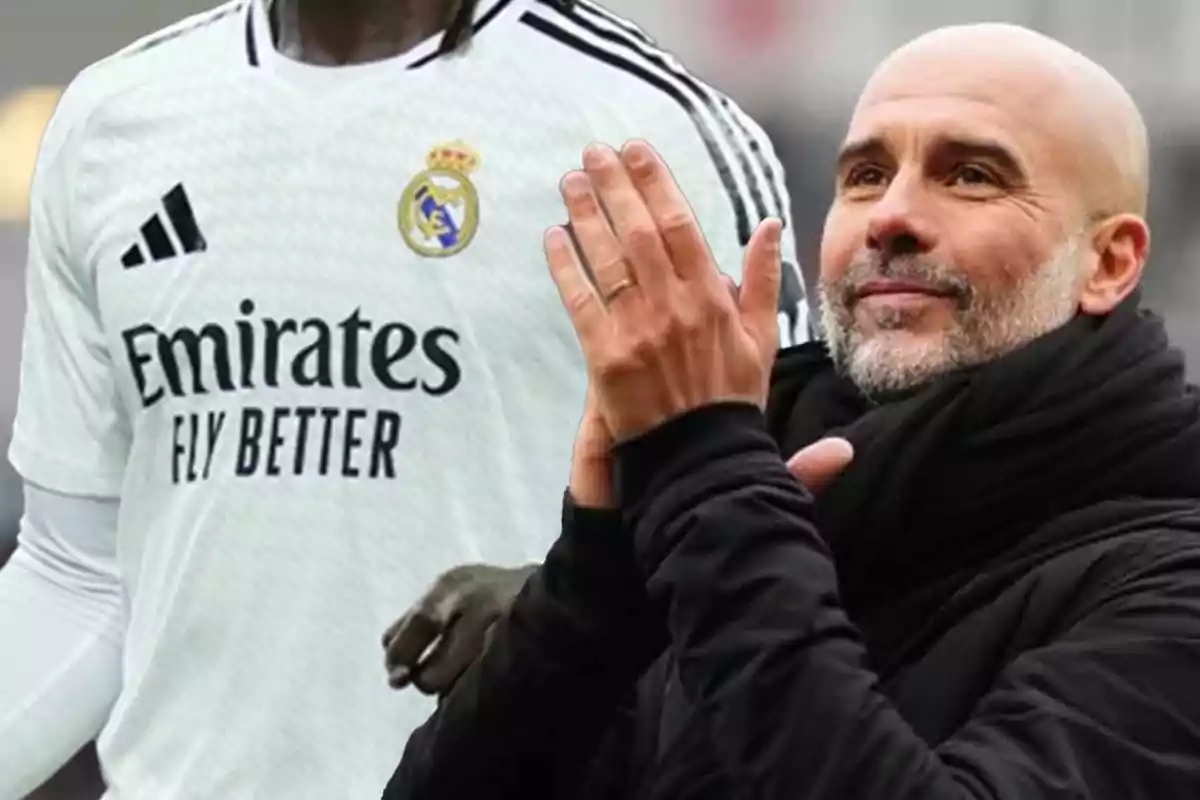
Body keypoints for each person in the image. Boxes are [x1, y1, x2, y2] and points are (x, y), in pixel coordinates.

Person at [0, 0, 807, 797]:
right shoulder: (115, 119)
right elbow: (79, 572)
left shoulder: (647, 126)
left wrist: (564, 608)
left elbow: (791, 558)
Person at [385, 23, 1200, 799]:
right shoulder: (741, 506)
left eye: (972, 176)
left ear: (1109, 261)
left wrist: (709, 478)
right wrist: (597, 582)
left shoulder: (1167, 584)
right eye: (866, 176)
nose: (891, 218)